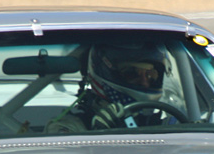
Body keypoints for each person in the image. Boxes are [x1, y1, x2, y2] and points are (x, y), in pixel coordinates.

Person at [46, 42, 181, 133]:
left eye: (151, 75)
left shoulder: (166, 126)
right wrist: (97, 137)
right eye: (132, 73)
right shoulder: (68, 128)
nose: (145, 83)